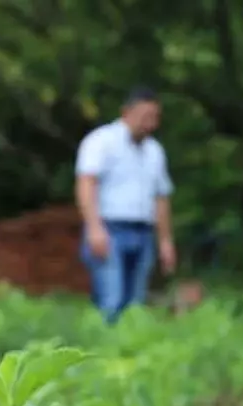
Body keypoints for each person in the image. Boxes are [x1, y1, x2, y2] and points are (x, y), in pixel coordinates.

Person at [75, 86, 177, 323]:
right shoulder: (101, 141)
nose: (150, 124)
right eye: (144, 117)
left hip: (143, 232)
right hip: (109, 229)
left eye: (154, 118)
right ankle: (104, 353)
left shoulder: (155, 151)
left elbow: (161, 198)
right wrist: (94, 228)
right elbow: (86, 184)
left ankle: (130, 353)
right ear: (126, 113)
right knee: (112, 299)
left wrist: (165, 241)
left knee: (136, 304)